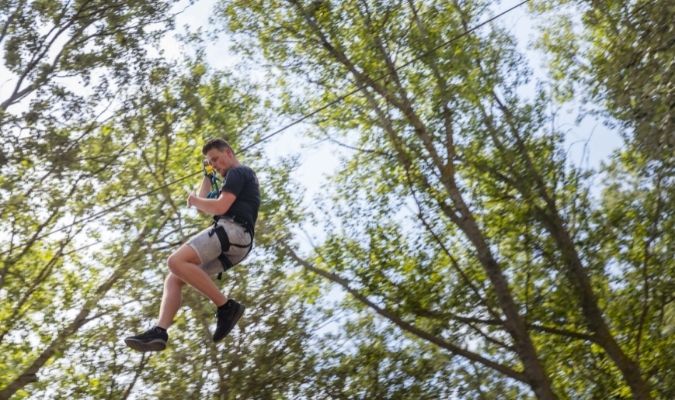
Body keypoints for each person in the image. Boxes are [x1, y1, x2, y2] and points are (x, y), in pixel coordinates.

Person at [124, 138, 260, 352]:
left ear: (229, 153)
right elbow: (204, 201)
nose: (215, 164)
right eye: (210, 162)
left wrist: (195, 201)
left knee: (175, 261)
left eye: (216, 159)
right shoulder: (233, 180)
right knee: (175, 277)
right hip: (237, 245)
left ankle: (226, 307)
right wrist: (207, 176)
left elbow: (219, 205)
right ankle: (160, 331)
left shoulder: (238, 172)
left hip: (233, 231)